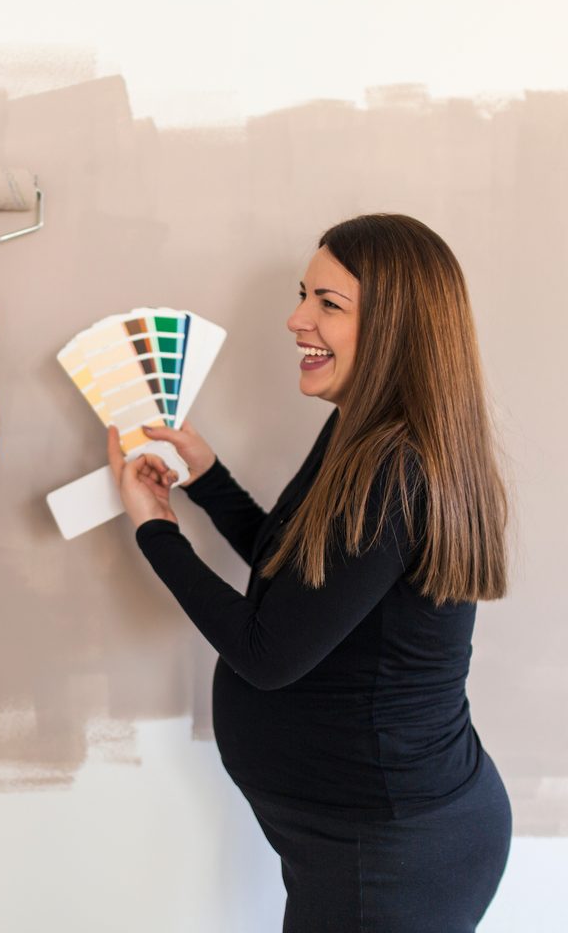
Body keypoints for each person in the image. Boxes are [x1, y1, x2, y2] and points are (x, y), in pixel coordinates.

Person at [107, 214, 512, 933]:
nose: (296, 320)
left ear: (393, 326)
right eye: (304, 295)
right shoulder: (367, 433)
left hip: (388, 855)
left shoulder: (394, 467)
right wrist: (207, 479)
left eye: (328, 303)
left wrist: (155, 529)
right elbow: (303, 578)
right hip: (364, 839)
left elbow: (269, 654)